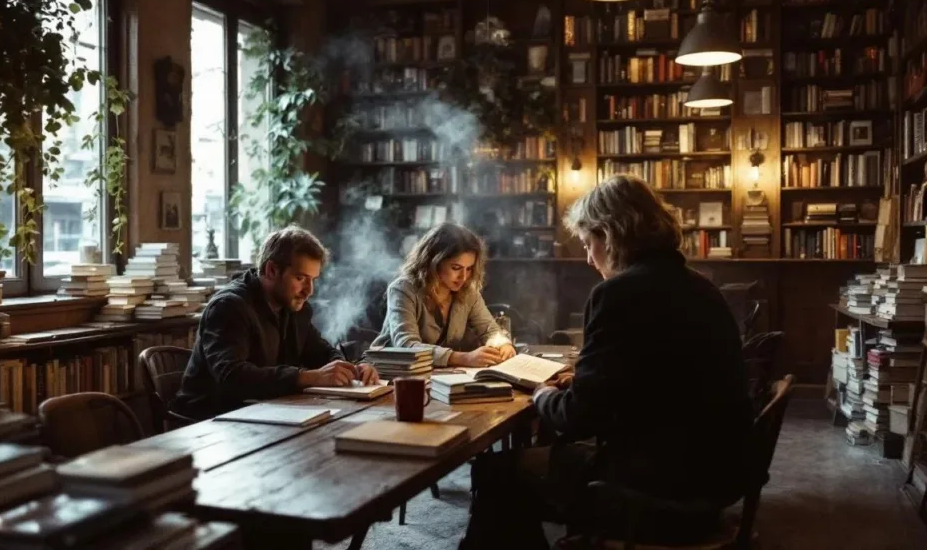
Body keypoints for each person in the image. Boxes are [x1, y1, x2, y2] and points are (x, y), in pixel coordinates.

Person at [461, 175, 753, 549]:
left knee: (495, 471)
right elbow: (652, 380)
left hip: (656, 490)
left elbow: (580, 418)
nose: (587, 258)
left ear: (610, 235)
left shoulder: (618, 294)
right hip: (713, 477)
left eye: (587, 244)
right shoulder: (699, 285)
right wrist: (583, 382)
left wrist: (542, 393)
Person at [171, 226, 379, 420]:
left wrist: (351, 370)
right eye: (300, 278)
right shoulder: (228, 307)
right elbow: (231, 377)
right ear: (271, 270)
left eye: (313, 280)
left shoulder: (295, 307)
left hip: (265, 414)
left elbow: (321, 352)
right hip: (210, 423)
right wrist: (304, 377)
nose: (309, 291)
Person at [371, 222, 517, 368]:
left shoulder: (467, 292)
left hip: (437, 376)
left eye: (469, 269)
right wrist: (463, 358)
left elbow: (490, 329)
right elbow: (406, 345)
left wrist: (503, 345)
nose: (463, 277)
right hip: (391, 374)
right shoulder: (403, 289)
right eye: (456, 268)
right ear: (434, 262)